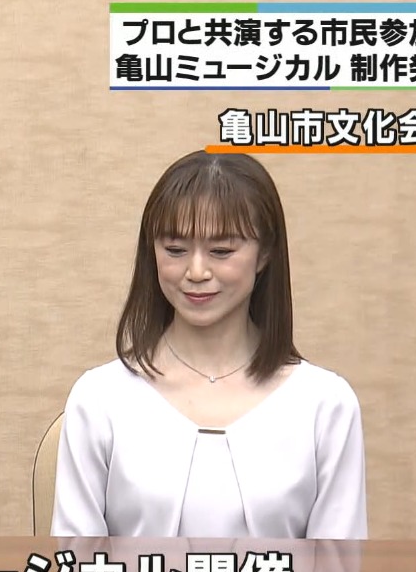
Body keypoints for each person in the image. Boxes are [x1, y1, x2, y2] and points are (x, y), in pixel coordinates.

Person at [50, 150, 367, 540]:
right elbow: (77, 568)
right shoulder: (99, 399)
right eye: (175, 250)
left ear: (265, 253)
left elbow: (338, 571)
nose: (196, 272)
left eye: (221, 251)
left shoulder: (326, 405)